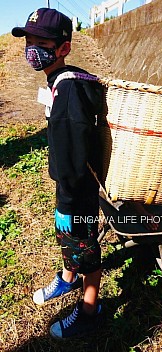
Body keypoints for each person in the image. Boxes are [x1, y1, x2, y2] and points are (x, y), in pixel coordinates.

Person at [12, 8, 103, 340]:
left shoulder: (67, 92)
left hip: (76, 191)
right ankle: (67, 279)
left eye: (42, 43)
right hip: (70, 188)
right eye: (29, 41)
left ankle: (91, 309)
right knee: (70, 241)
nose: (32, 50)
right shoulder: (64, 81)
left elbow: (73, 157)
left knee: (86, 249)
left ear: (63, 48)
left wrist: (66, 202)